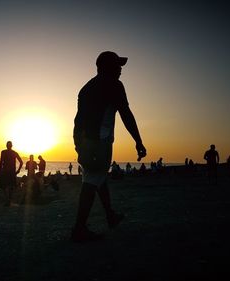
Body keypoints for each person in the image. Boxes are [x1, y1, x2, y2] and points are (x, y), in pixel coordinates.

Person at [71, 51, 146, 242]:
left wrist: (78, 145)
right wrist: (138, 141)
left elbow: (78, 121)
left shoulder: (86, 88)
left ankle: (110, 215)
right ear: (106, 68)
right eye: (117, 66)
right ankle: (79, 229)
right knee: (92, 180)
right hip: (100, 142)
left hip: (86, 142)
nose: (121, 70)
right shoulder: (114, 85)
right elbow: (126, 114)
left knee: (98, 177)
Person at [0, 141, 23, 206]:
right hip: (9, 171)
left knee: (7, 186)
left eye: (9, 145)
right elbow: (21, 162)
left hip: (9, 171)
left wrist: (18, 170)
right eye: (8, 145)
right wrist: (18, 170)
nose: (8, 146)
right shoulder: (9, 152)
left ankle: (8, 200)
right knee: (7, 186)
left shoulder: (6, 152)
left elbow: (21, 162)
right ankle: (8, 200)